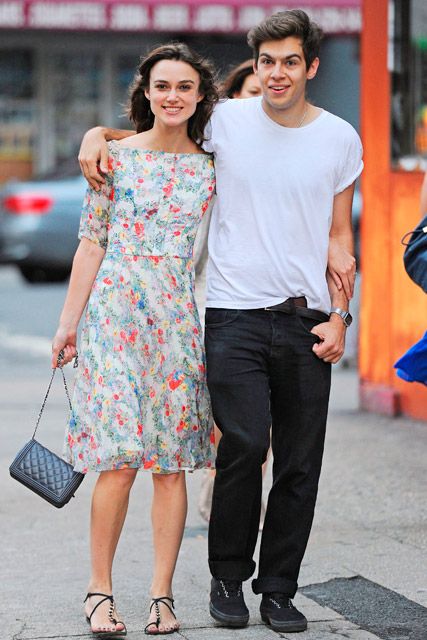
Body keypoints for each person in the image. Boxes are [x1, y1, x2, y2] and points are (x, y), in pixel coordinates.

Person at [78, 9, 362, 634]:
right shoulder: (226, 121)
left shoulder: (341, 137)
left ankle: (280, 589)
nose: (278, 73)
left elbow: (341, 238)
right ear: (253, 68)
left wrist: (342, 316)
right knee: (243, 447)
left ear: (312, 66)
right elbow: (153, 125)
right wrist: (94, 134)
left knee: (299, 462)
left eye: (291, 61)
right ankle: (227, 577)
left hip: (307, 317)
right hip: (231, 315)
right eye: (267, 62)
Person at [51, 43, 218, 637]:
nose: (172, 96)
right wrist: (69, 322)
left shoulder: (210, 167)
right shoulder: (114, 159)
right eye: (161, 86)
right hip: (112, 316)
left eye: (184, 87)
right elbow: (91, 241)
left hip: (174, 320)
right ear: (146, 94)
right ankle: (99, 592)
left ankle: (162, 595)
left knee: (170, 464)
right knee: (119, 458)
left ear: (201, 97)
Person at [197, 59, 264, 524]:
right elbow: (151, 138)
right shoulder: (211, 147)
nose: (256, 103)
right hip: (212, 292)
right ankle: (225, 478)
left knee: (260, 417)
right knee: (224, 401)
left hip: (274, 300)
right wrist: (97, 133)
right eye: (247, 94)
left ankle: (242, 490)